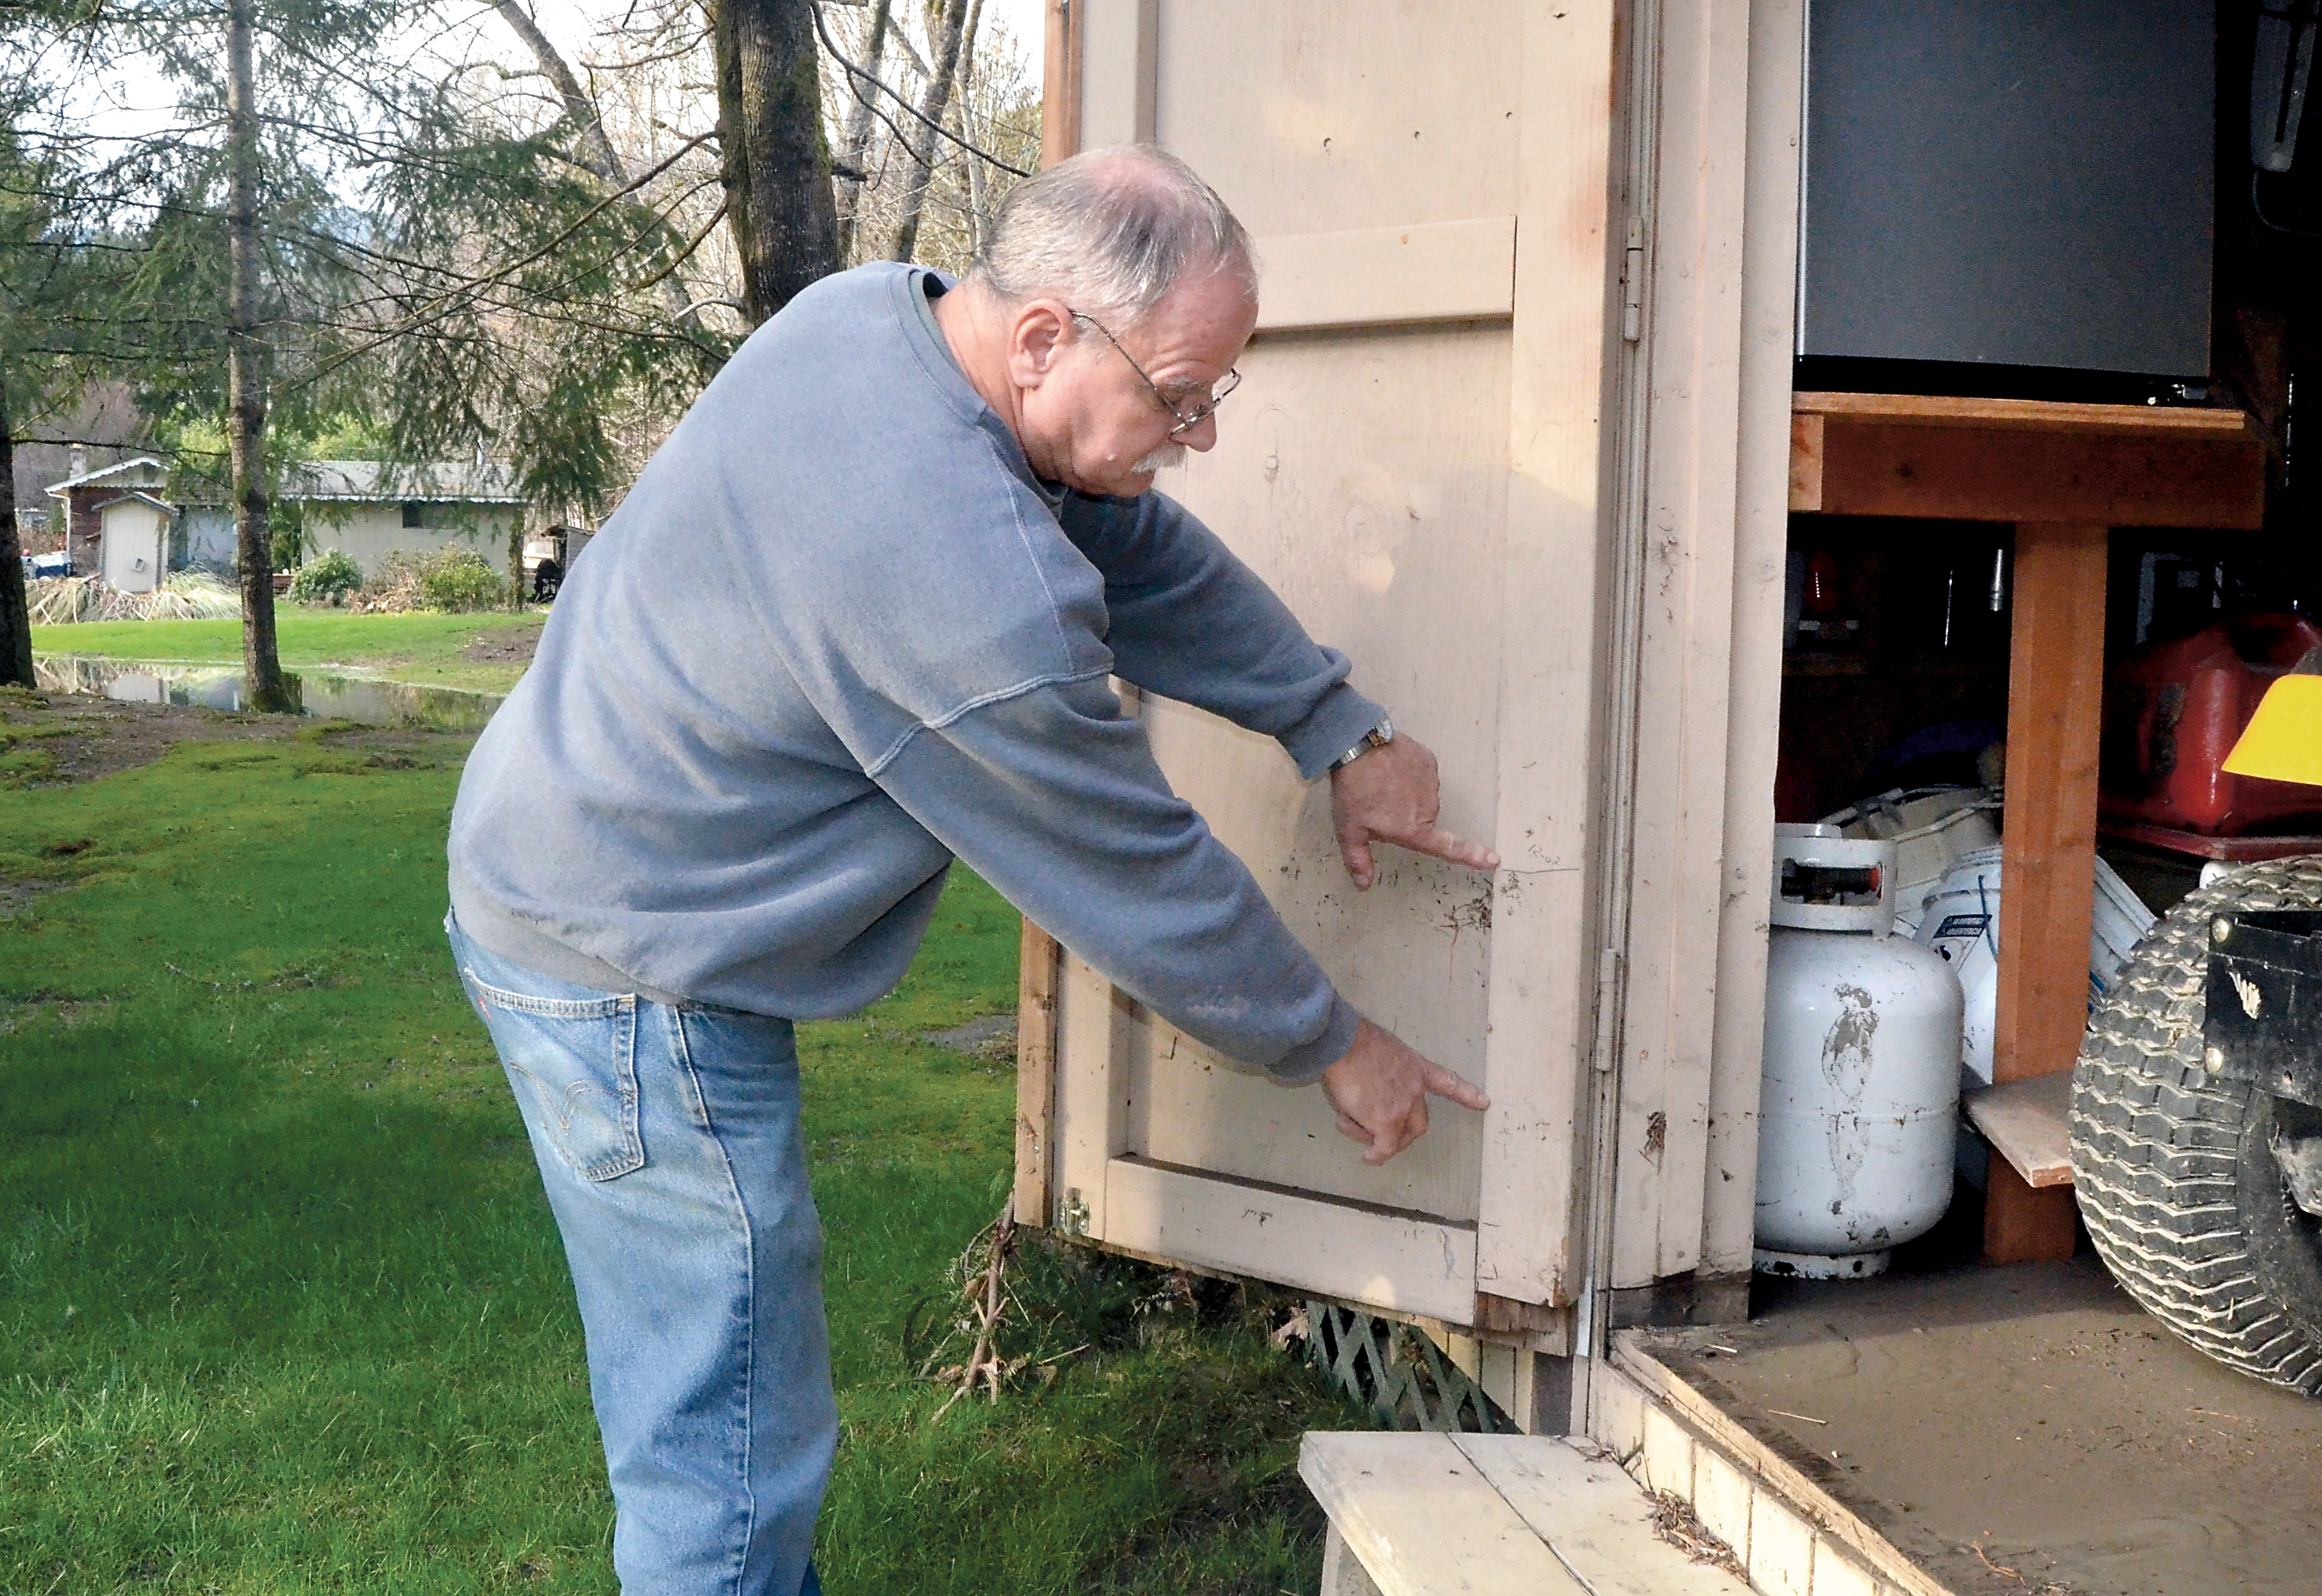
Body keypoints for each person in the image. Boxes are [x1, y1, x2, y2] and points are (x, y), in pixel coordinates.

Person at [443, 145, 1496, 1596]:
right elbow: (1132, 868)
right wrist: (1335, 1039)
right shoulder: (957, 583)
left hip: (577, 852)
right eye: (1179, 396)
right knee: (725, 1422)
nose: (1195, 433)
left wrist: (1329, 718)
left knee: (724, 1383)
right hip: (627, 953)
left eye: (1213, 396)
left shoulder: (885, 321)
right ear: (1046, 334)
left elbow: (1136, 555)